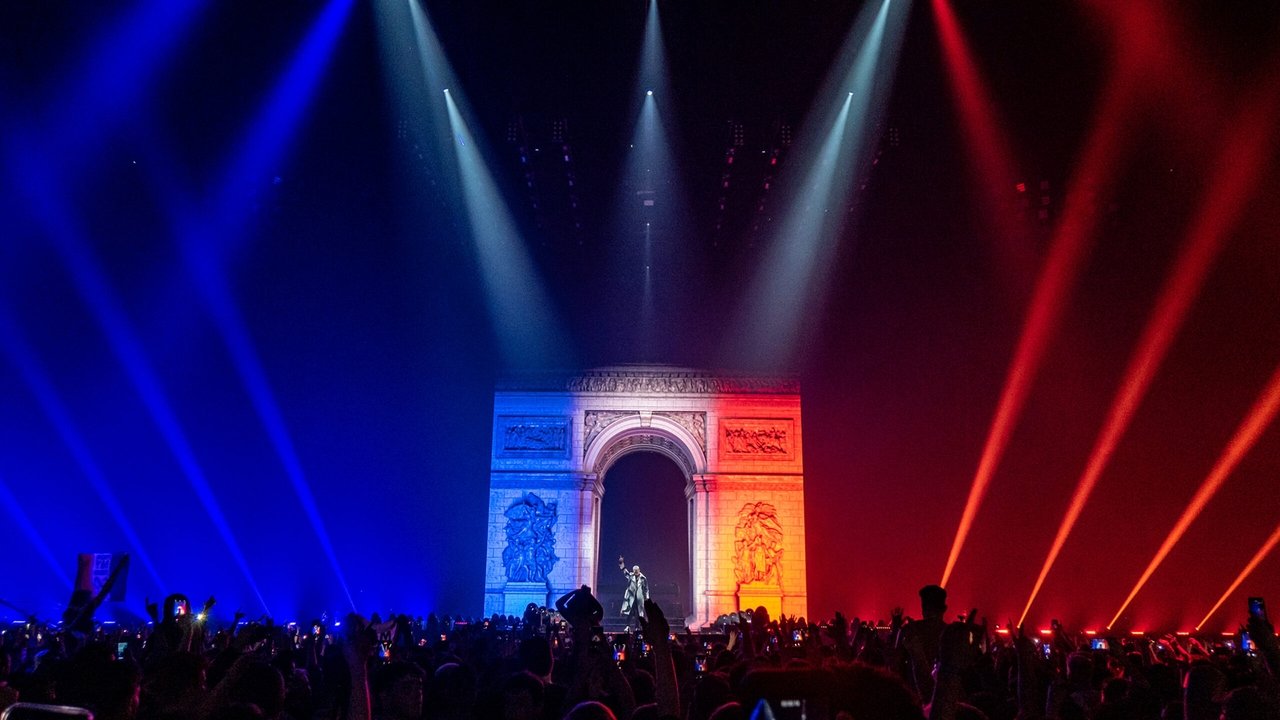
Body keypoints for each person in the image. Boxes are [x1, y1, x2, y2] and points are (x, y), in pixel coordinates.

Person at [618, 556, 649, 631]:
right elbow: (625, 572)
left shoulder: (643, 578)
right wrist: (621, 563)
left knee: (638, 614)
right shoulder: (631, 576)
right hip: (631, 597)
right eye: (634, 571)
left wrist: (647, 598)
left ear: (639, 570)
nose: (635, 572)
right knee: (630, 612)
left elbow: (646, 589)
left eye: (636, 571)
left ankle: (637, 627)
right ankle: (627, 626)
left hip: (639, 598)